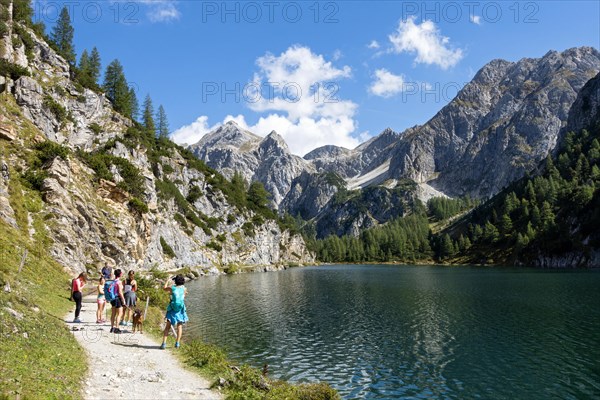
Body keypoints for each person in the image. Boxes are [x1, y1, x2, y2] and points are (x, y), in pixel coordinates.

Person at [160, 274, 188, 349]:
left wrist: (167, 280)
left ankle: (163, 344)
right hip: (180, 309)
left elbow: (164, 288)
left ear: (175, 281)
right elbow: (185, 295)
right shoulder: (184, 288)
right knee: (179, 326)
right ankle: (177, 343)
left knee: (167, 327)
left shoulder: (172, 288)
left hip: (172, 309)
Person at [109, 269, 126, 334]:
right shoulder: (119, 282)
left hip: (112, 299)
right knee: (120, 313)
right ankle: (117, 328)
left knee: (113, 313)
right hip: (118, 298)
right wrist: (123, 300)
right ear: (120, 274)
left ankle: (112, 327)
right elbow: (120, 292)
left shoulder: (113, 281)